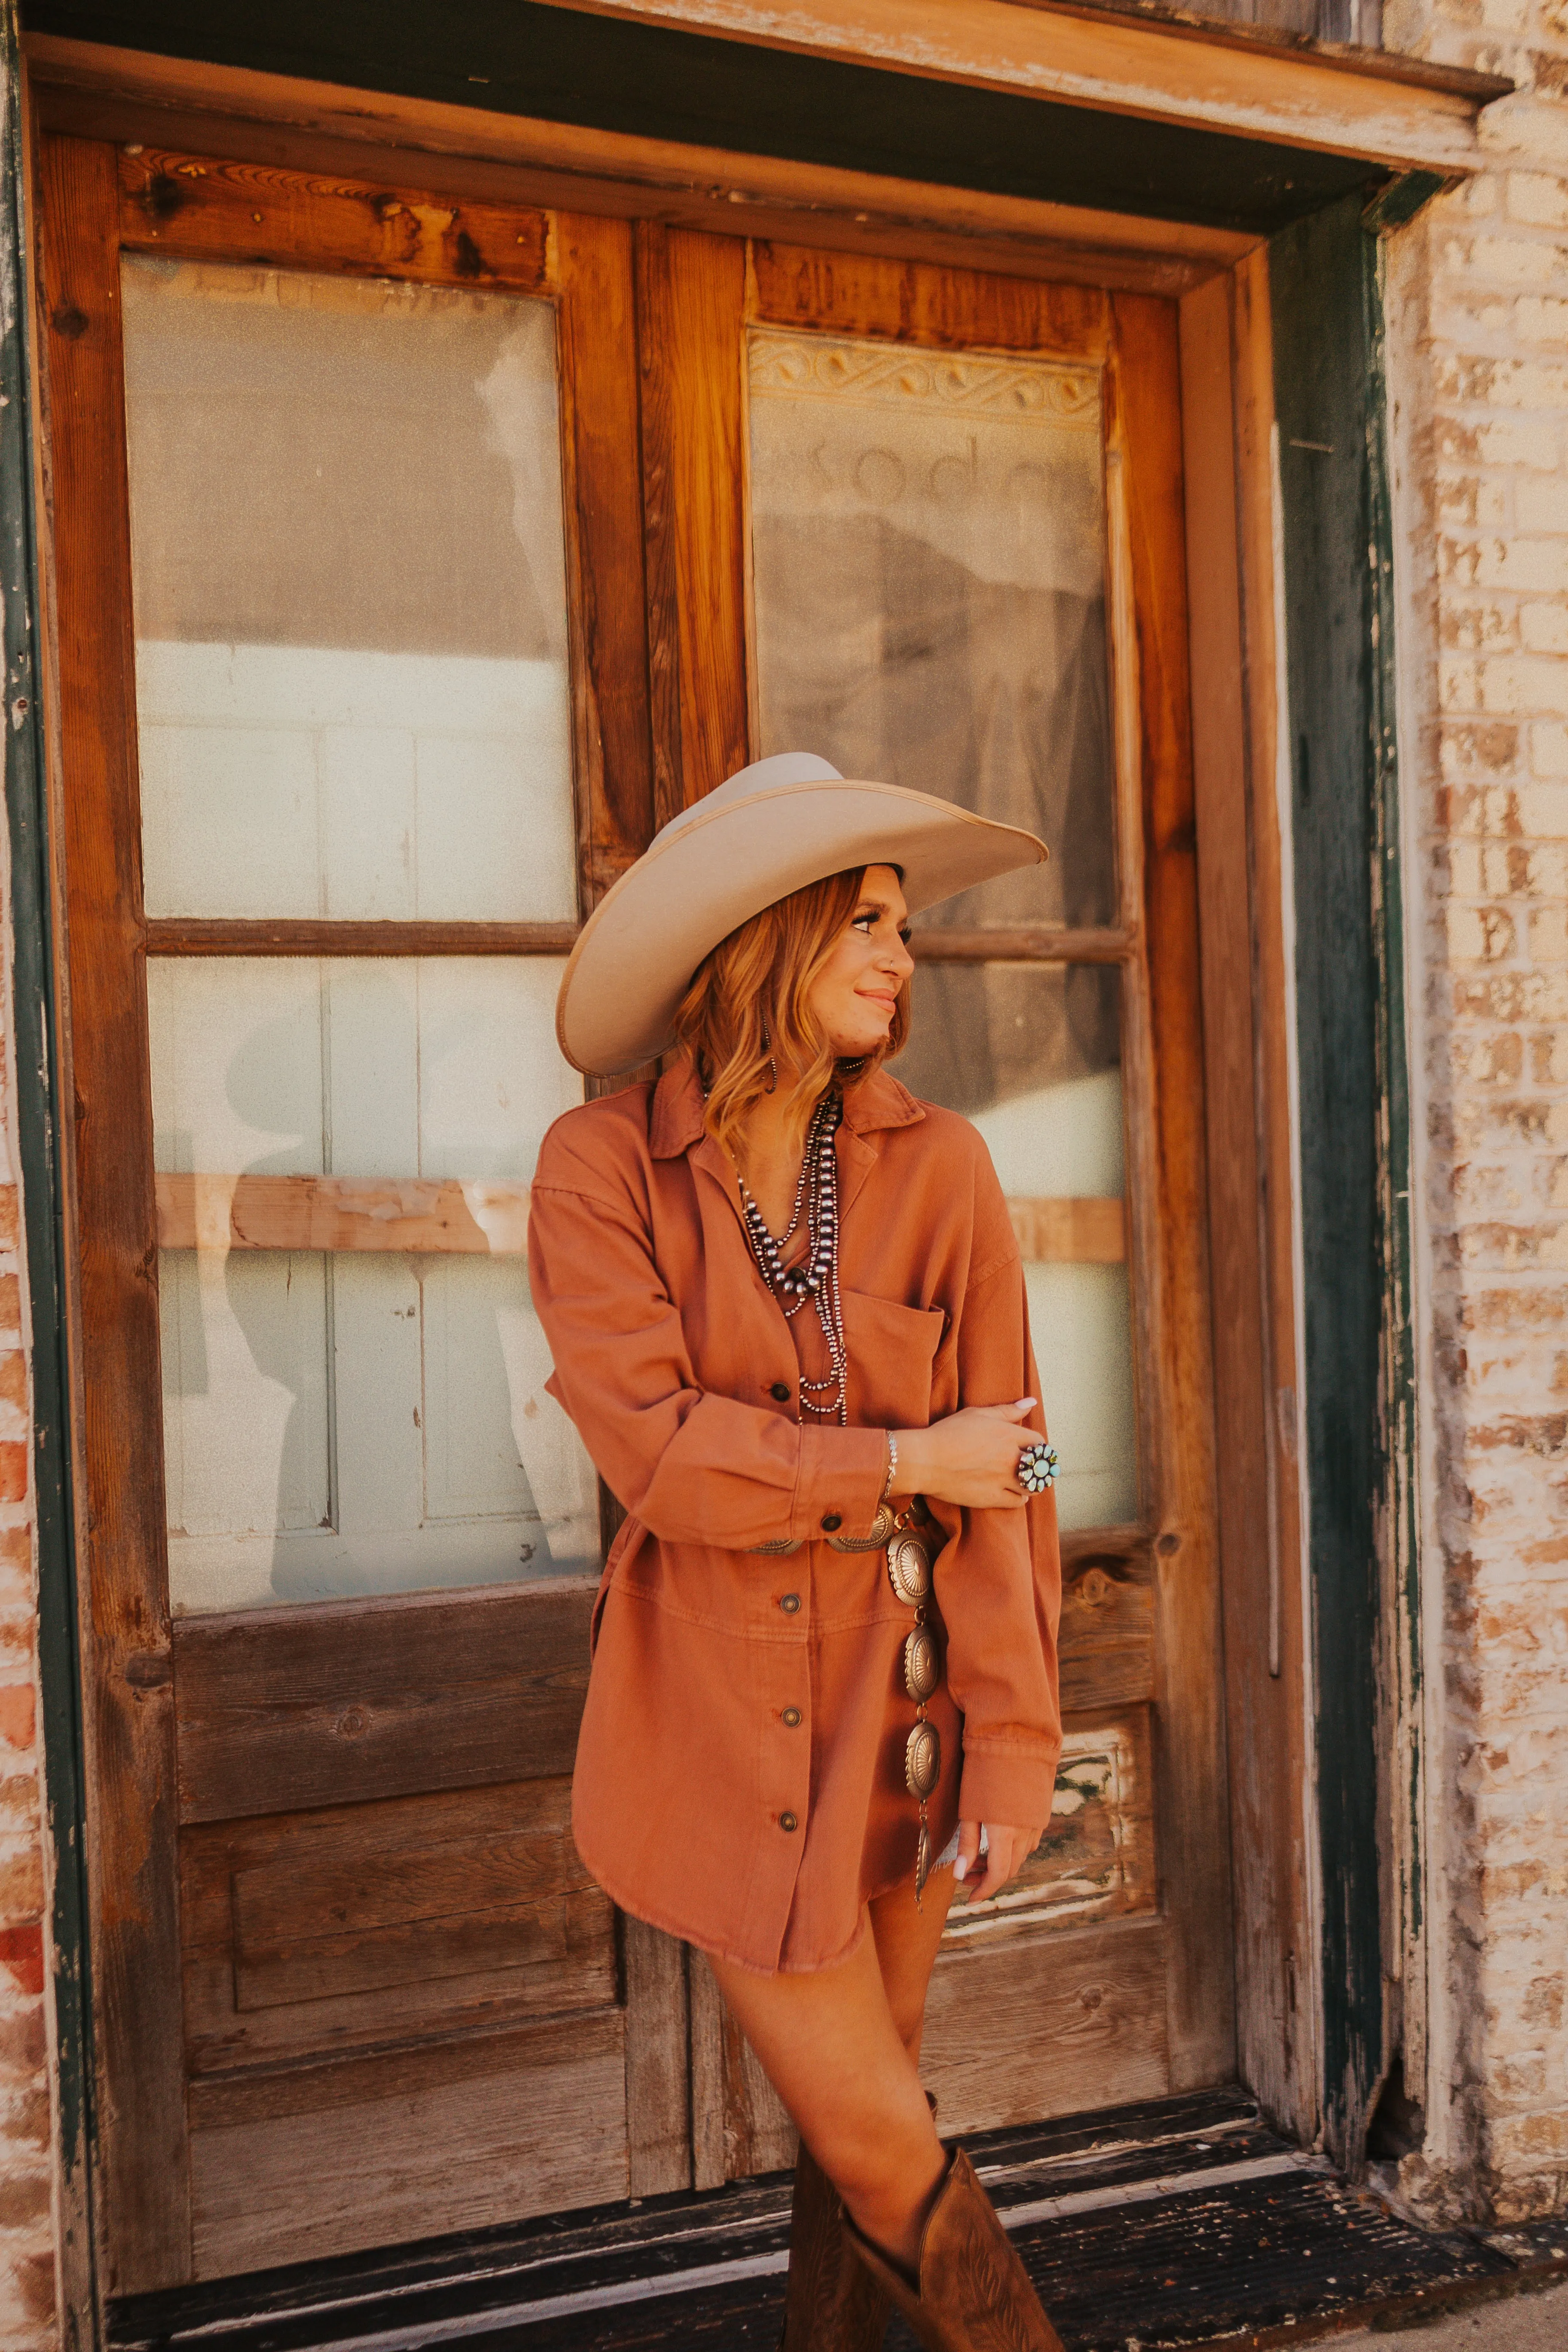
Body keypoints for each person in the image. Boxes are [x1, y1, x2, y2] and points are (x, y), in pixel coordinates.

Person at [528, 753, 1066, 2352]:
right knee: (887, 2142)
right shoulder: (602, 1171)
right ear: (770, 931)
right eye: (870, 919)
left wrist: (1017, 1745)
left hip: (905, 1719)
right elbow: (665, 1459)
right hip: (712, 1722)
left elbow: (1019, 1466)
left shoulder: (943, 1166)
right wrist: (906, 1457)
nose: (905, 955)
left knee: (861, 2139)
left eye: (906, 924)